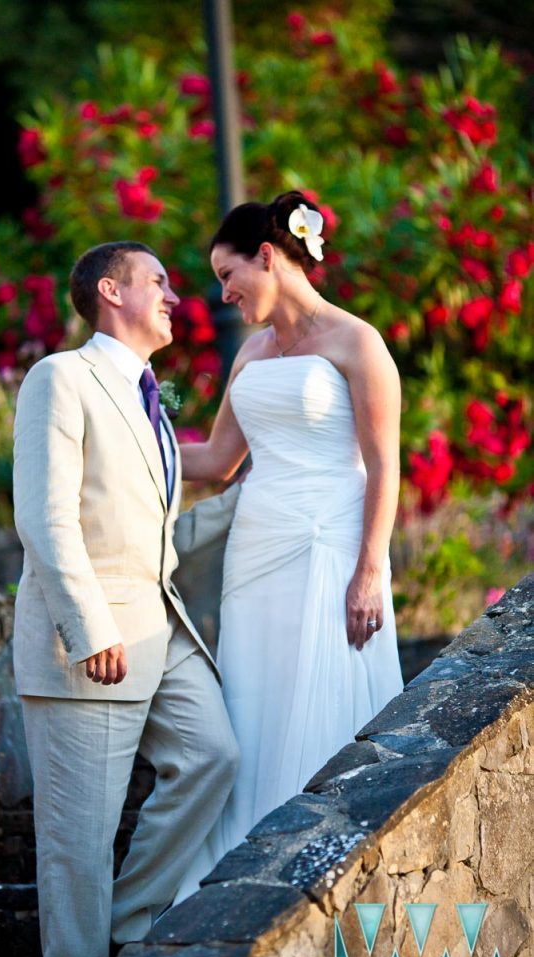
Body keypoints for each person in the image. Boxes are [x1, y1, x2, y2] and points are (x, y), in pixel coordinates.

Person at [12, 240, 239, 957]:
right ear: (111, 292)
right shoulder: (61, 379)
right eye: (160, 283)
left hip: (161, 626)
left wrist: (269, 504)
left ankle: (129, 923)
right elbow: (44, 518)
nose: (177, 298)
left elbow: (159, 535)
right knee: (78, 845)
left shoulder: (151, 402)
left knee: (214, 755)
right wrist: (86, 626)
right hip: (90, 642)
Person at [174, 191, 404, 901]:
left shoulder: (357, 342)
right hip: (258, 550)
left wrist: (369, 570)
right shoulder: (251, 353)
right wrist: (129, 437)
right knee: (254, 699)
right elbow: (215, 462)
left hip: (332, 548)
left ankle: (319, 871)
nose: (223, 293)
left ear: (268, 257)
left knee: (323, 700)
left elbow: (385, 463)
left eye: (227, 273)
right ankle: (240, 870)